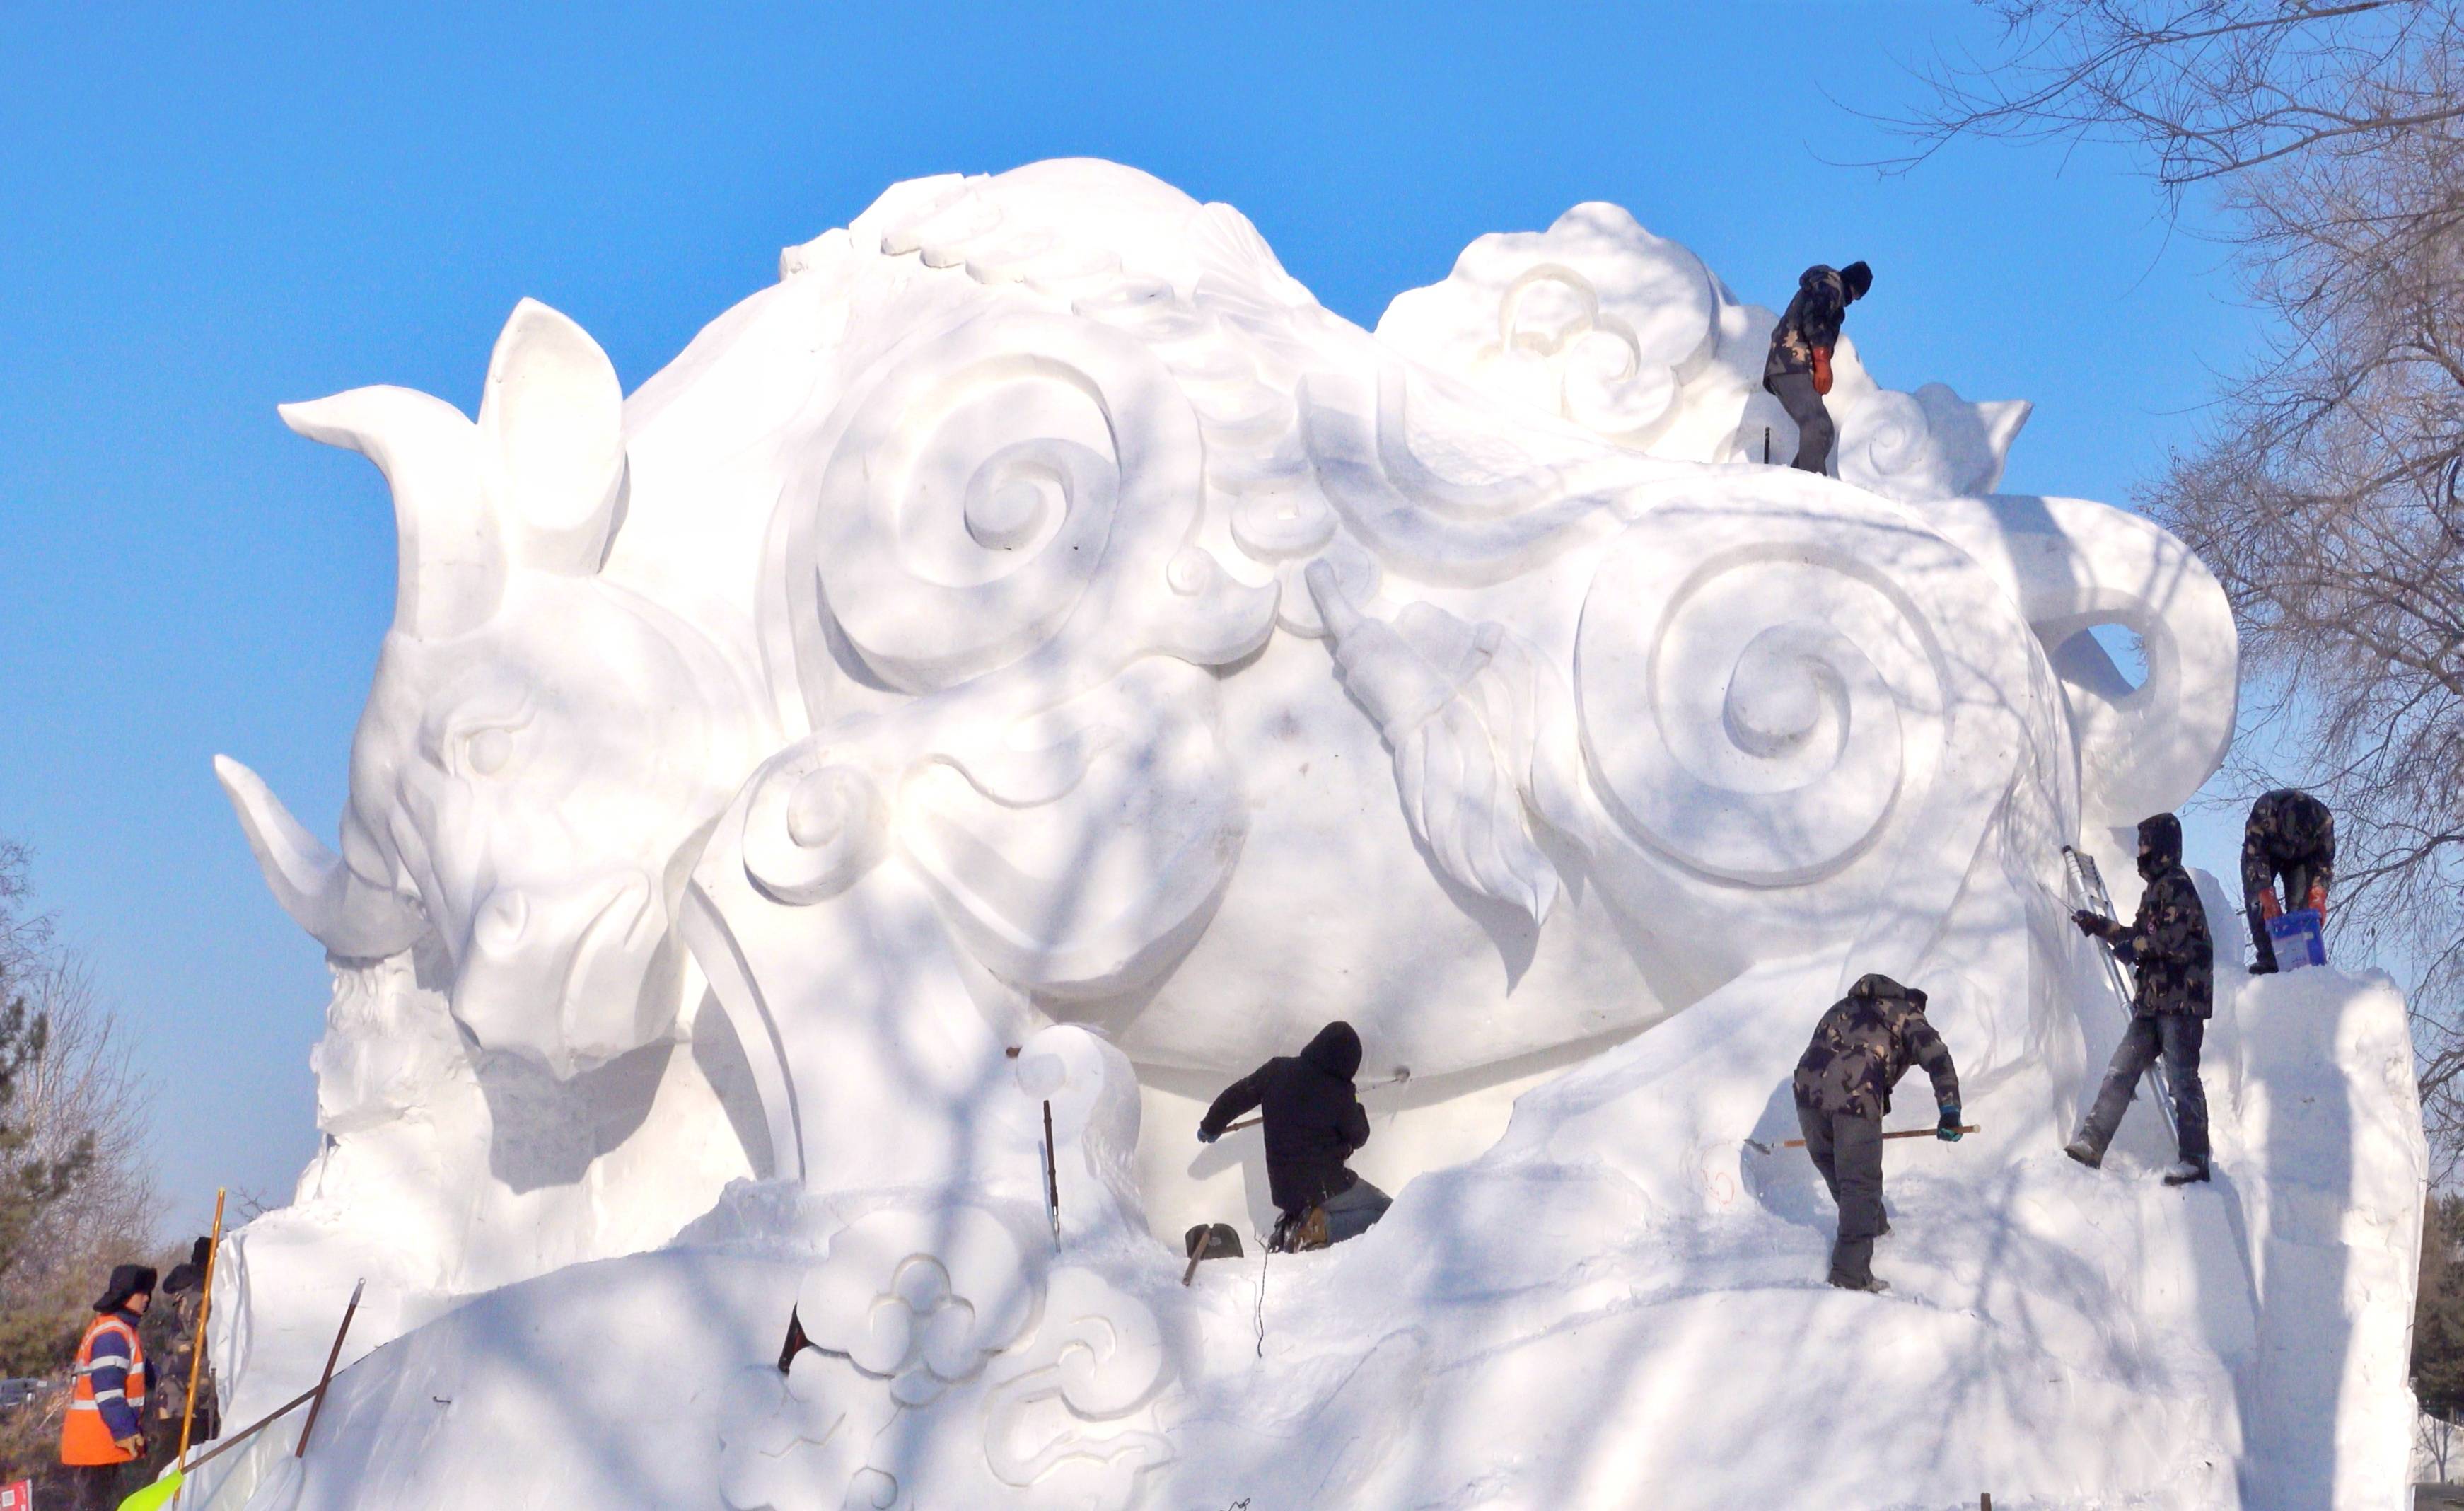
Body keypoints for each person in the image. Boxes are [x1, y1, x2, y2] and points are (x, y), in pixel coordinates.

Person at [2067, 812, 2215, 1185]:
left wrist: (2136, 947)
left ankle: (2196, 1161)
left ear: (2162, 848)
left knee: (2182, 1080)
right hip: (2153, 1003)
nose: (2140, 851)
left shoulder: (2177, 886)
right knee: (2121, 1070)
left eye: (2145, 844)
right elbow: (2141, 934)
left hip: (2181, 1003)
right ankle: (2090, 1144)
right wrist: (2101, 927)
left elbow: (2169, 940)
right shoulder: (2156, 891)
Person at [1791, 973, 1962, 1293]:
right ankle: (1850, 1275)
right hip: (1855, 1093)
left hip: (1806, 1093)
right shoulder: (1905, 1011)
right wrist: (1950, 1111)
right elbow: (1938, 1057)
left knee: (1841, 1174)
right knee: (1859, 1184)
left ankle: (1874, 1225)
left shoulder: (1843, 1006)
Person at [1197, 1021, 1390, 1251]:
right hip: (1326, 1186)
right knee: (1388, 1211)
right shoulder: (1340, 1093)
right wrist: (1355, 1105)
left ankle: (1293, 1227)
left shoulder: (1277, 1070)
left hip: (1285, 1191)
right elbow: (1359, 1137)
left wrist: (1212, 1125)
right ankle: (1320, 1230)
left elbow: (1238, 1095)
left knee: (1347, 1203)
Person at [59, 1263, 156, 1511]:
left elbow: (143, 1377)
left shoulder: (122, 1330)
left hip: (103, 1442)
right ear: (126, 1294)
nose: (147, 1299)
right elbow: (108, 1391)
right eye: (142, 1293)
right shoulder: (112, 1335)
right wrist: (124, 1431)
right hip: (99, 1442)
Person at [1762, 260, 1873, 473]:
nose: (1853, 301)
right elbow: (1816, 320)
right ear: (1853, 286)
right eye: (1856, 294)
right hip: (1791, 363)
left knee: (1825, 431)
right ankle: (1811, 486)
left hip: (1797, 366)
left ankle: (1795, 480)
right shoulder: (1830, 286)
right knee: (1817, 424)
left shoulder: (1831, 290)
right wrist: (1822, 362)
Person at [2241, 787, 2335, 974]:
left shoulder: (2324, 821)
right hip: (2266, 856)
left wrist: (2318, 894)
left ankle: (2302, 963)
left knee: (2303, 908)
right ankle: (2269, 959)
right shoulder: (2264, 811)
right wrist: (2266, 895)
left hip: (2303, 859)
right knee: (2258, 902)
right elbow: (2254, 858)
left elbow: (2324, 864)